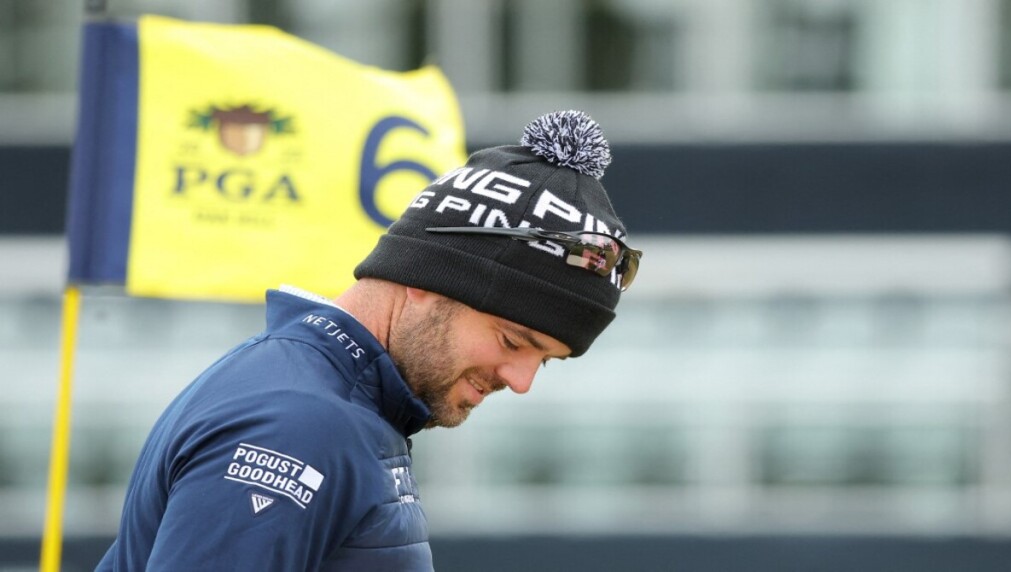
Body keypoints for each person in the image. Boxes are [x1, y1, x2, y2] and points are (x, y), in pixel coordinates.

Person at [96, 110, 642, 571]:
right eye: (513, 340)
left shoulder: (333, 403)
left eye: (546, 361)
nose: (521, 382)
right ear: (428, 283)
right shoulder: (300, 426)